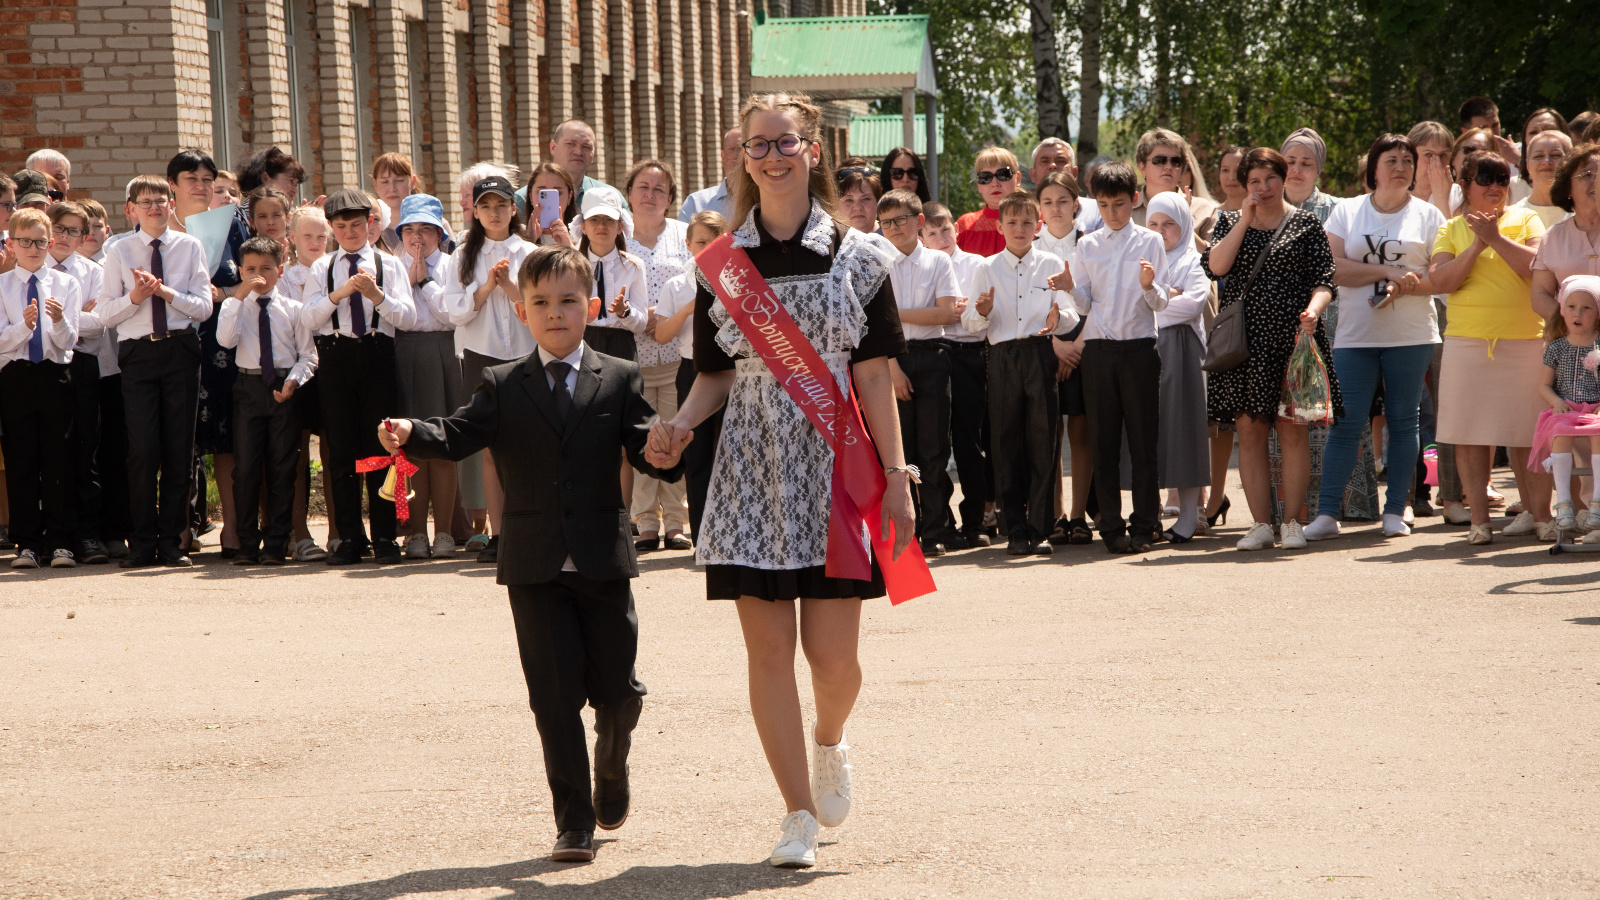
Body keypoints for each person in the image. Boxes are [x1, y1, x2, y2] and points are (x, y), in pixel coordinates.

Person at [658, 92, 917, 869]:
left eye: (786, 143)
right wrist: (680, 427)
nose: (772, 156)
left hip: (838, 465)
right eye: (757, 145)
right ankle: (797, 813)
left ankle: (830, 740)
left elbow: (874, 377)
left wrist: (898, 475)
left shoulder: (860, 257)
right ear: (743, 157)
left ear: (813, 151)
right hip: (750, 468)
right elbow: (713, 375)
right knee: (767, 653)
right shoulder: (720, 266)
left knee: (833, 662)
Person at [379, 244, 687, 864]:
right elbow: (461, 432)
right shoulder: (501, 383)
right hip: (534, 564)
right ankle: (573, 821)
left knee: (620, 692)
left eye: (569, 301)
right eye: (541, 303)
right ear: (522, 312)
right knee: (553, 698)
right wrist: (415, 432)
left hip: (602, 560)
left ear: (591, 308)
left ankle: (613, 758)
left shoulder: (621, 376)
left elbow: (643, 438)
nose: (555, 313)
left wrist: (663, 448)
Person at [1306, 134, 1446, 543]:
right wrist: (1386, 274)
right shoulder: (1347, 211)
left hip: (1412, 334)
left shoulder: (1429, 215)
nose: (1401, 166)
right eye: (1391, 159)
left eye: (1407, 159)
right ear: (1374, 168)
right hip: (1355, 335)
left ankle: (1395, 509)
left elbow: (1437, 275)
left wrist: (1406, 284)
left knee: (1405, 422)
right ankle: (1327, 513)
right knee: (1347, 424)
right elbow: (1332, 268)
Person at [1203, 148, 1339, 552]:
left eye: (1270, 179)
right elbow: (1217, 267)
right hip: (1247, 343)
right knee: (1249, 430)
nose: (1263, 188)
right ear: (1244, 186)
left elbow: (1325, 281)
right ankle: (1261, 523)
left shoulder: (1306, 223)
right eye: (1254, 182)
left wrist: (1313, 311)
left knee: (1292, 430)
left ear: (1283, 179)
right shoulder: (1229, 220)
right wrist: (1244, 219)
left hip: (1294, 339)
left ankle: (1293, 522)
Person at [1428, 150, 1548, 545]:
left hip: (1525, 341)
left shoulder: (1526, 218)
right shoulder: (1450, 228)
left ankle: (1540, 515)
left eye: (1502, 179)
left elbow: (1538, 266)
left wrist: (1496, 236)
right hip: (1468, 342)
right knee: (1469, 433)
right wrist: (1479, 245)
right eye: (1486, 179)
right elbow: (1441, 280)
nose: (1496, 187)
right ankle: (1480, 521)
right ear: (1465, 185)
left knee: (1528, 433)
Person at [97, 174, 213, 568]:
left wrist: (164, 292)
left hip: (180, 350)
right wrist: (136, 297)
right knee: (143, 450)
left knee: (179, 450)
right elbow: (105, 313)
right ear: (131, 209)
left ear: (171, 205)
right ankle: (142, 541)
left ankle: (171, 542)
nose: (155, 207)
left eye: (161, 200)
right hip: (138, 354)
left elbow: (202, 308)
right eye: (145, 202)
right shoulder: (119, 250)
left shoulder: (189, 246)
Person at [1052, 161, 1168, 552]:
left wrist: (1150, 286)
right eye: (1103, 205)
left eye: (1119, 204)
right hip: (1099, 351)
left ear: (1134, 200)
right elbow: (1087, 304)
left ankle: (1145, 524)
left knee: (1142, 443)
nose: (1112, 213)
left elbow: (1162, 299)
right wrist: (1069, 287)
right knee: (1102, 441)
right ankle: (1112, 528)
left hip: (1139, 348)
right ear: (1095, 205)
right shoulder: (1087, 244)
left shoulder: (1150, 241)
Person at [300, 188, 417, 565]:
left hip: (377, 354)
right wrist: (339, 295)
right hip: (336, 356)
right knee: (341, 448)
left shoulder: (388, 264)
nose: (349, 232)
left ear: (370, 225)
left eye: (356, 225)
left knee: (383, 444)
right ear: (332, 229)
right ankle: (350, 536)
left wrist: (377, 295)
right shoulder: (323, 267)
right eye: (341, 226)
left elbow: (408, 318)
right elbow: (308, 318)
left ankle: (385, 535)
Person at [964, 190, 1080, 555]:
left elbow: (1071, 312)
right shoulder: (985, 268)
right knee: (1005, 443)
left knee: (1044, 442)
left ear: (1038, 226)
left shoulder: (1050, 264)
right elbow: (970, 324)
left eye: (1027, 222)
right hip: (1001, 357)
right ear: (999, 226)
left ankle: (1040, 527)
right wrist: (981, 311)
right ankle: (1014, 527)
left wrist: (1058, 318)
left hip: (1039, 354)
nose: (1019, 228)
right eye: (1011, 222)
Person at [443, 174, 535, 566]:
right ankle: (499, 533)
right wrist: (484, 288)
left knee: (530, 445)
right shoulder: (462, 257)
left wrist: (511, 286)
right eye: (486, 206)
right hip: (481, 355)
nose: (494, 213)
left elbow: (540, 312)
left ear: (514, 209)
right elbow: (455, 312)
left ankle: (531, 528)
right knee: (491, 449)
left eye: (502, 205)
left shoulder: (531, 253)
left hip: (528, 355)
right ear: (475, 212)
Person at [166, 149, 247, 558]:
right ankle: (178, 530)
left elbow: (253, 277)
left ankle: (232, 529)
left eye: (206, 180)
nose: (200, 187)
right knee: (180, 439)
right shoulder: (158, 228)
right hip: (172, 345)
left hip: (223, 344)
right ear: (173, 186)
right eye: (191, 179)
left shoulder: (230, 224)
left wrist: (226, 293)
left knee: (225, 438)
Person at [216, 236, 316, 565]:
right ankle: (247, 543)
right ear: (241, 272)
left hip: (283, 389)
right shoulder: (236, 307)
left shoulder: (294, 309)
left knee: (283, 467)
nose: (259, 275)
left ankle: (276, 542)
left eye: (266, 269)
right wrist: (238, 296)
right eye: (251, 270)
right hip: (248, 388)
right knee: (245, 469)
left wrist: (293, 381)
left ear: (281, 270)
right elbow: (225, 340)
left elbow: (308, 357)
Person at [879, 188, 963, 555]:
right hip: (891, 360)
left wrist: (894, 315)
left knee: (933, 449)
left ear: (919, 222)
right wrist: (893, 369)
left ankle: (934, 530)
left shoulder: (938, 262)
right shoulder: (877, 264)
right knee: (902, 453)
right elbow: (872, 327)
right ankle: (906, 534)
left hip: (933, 358)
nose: (895, 228)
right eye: (887, 223)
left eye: (901, 220)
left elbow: (946, 313)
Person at [0, 208, 81, 569]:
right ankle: (27, 543)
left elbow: (69, 340)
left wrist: (59, 320)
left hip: (53, 374)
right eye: (26, 241)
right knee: (21, 460)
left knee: (58, 458)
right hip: (16, 376)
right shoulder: (2, 286)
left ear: (50, 243)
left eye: (41, 241)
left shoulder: (66, 284)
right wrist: (24, 326)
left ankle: (61, 541)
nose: (34, 248)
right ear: (12, 243)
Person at [623, 160, 693, 552]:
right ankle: (646, 521)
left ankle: (677, 522)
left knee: (675, 434)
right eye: (642, 187)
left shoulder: (684, 236)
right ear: (629, 193)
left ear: (669, 199)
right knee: (642, 438)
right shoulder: (616, 238)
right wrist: (642, 318)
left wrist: (661, 318)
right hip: (632, 360)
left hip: (676, 357)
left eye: (659, 189)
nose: (650, 195)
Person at [392, 193, 463, 559]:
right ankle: (415, 531)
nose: (417, 237)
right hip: (405, 351)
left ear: (439, 233)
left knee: (443, 444)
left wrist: (424, 283)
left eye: (426, 229)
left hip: (444, 350)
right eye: (410, 229)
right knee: (410, 443)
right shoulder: (391, 266)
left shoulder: (452, 265)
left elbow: (453, 315)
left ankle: (446, 532)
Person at [650, 210, 728, 542]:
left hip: (732, 373)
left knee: (732, 452)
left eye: (716, 241)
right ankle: (702, 537)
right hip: (690, 372)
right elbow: (661, 335)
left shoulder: (739, 280)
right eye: (700, 242)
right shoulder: (678, 284)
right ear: (688, 244)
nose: (707, 247)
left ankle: (732, 535)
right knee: (695, 455)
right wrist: (687, 308)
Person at [921, 201, 994, 546]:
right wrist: (945, 312)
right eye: (932, 233)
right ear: (923, 236)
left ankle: (975, 521)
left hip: (970, 355)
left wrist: (962, 312)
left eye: (946, 229)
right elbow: (928, 312)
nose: (941, 238)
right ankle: (941, 521)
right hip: (936, 353)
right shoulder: (923, 267)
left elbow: (986, 310)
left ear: (956, 228)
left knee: (970, 442)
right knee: (934, 441)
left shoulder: (977, 264)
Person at [1146, 191, 1213, 542]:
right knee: (1148, 432)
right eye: (1153, 224)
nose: (1160, 231)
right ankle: (1148, 514)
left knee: (1184, 431)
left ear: (1184, 225)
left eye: (1169, 224)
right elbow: (1125, 302)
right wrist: (1164, 295)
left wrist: (1151, 301)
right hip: (1145, 352)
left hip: (1183, 353)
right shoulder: (1141, 259)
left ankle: (1189, 514)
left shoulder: (1192, 260)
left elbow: (1192, 304)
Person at [46, 202, 110, 565]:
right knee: (52, 454)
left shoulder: (92, 271)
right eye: (59, 228)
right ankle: (55, 537)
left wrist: (60, 320)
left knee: (86, 453)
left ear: (84, 237)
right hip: (43, 366)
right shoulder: (35, 269)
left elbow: (98, 326)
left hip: (83, 367)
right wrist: (75, 316)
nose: (64, 237)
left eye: (74, 231)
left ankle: (88, 535)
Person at [1033, 171, 1092, 544]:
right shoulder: (1030, 244)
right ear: (1039, 208)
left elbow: (1102, 299)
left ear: (1076, 205)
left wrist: (1079, 346)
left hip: (1087, 340)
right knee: (1048, 433)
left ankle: (1079, 515)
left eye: (1063, 201)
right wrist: (1055, 346)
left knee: (1082, 429)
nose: (1056, 209)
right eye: (1048, 202)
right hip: (1044, 343)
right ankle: (1053, 514)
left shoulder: (1091, 244)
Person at [281, 204, 332, 561]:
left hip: (333, 367)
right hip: (296, 368)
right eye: (307, 236)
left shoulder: (336, 269)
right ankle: (298, 533)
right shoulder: (284, 277)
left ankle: (341, 531)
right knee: (296, 455)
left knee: (335, 452)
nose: (315, 242)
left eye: (321, 236)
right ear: (292, 239)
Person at [1529, 276, 1600, 532]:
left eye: (1586, 307)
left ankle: (1597, 503)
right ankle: (1564, 504)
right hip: (1566, 409)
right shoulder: (1557, 347)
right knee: (1559, 432)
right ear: (1562, 311)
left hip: (1595, 409)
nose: (1577, 313)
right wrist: (1556, 402)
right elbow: (1544, 385)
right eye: (1571, 307)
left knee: (1598, 432)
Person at [577, 186, 648, 361]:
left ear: (619, 227)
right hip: (582, 343)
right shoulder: (573, 265)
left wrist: (624, 312)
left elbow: (641, 324)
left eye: (609, 220)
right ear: (583, 227)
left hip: (621, 346)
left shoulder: (634, 266)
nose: (601, 225)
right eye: (594, 219)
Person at [1532, 145, 1600, 321]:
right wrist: (1571, 325)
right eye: (1587, 175)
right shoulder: (1553, 236)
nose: (1597, 181)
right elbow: (1540, 295)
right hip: (1571, 342)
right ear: (1568, 188)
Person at [1133, 128, 1218, 244]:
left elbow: (1213, 259)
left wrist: (1184, 222)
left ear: (1182, 169)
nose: (1168, 166)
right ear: (1142, 167)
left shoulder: (1204, 210)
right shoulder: (1126, 209)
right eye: (1159, 160)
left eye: (1176, 161)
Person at [956, 147, 1023, 257]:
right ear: (978, 185)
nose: (995, 183)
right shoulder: (964, 226)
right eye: (985, 177)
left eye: (1003, 174)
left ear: (1018, 179)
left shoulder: (1038, 221)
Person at [1514, 129, 1573, 230]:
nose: (1546, 161)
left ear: (1570, 163)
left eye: (1556, 155)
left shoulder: (1583, 213)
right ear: (1528, 167)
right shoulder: (1514, 214)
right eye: (1538, 156)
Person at [679, 128, 742, 222]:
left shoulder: (767, 201)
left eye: (745, 149)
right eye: (734, 149)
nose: (740, 155)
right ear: (723, 157)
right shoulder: (696, 204)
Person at [1281, 127, 1339, 225]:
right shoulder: (1264, 207)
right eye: (1290, 162)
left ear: (1318, 171)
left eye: (1306, 164)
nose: (1296, 170)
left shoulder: (1337, 210)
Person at [372, 153, 422, 252]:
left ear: (412, 182)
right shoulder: (368, 226)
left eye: (399, 180)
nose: (392, 188)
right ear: (375, 185)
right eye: (385, 182)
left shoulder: (432, 225)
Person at [238, 146, 308, 199]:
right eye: (291, 181)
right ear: (266, 179)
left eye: (295, 185)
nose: (294, 192)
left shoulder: (287, 215)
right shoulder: (238, 216)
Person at [835, 160, 881, 234]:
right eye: (849, 200)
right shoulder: (828, 242)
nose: (858, 207)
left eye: (866, 199)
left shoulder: (894, 239)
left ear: (878, 202)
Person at [78, 198, 111, 264]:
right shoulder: (59, 267)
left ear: (107, 231)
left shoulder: (118, 264)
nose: (91, 232)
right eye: (84, 227)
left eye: (97, 226)